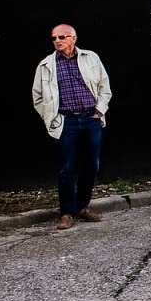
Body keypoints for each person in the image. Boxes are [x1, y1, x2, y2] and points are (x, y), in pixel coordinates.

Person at [31, 24, 112, 230]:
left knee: (91, 165)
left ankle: (81, 206)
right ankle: (67, 213)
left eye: (62, 37)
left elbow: (105, 87)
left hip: (90, 119)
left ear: (73, 38)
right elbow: (37, 97)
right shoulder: (46, 65)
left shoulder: (91, 58)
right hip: (65, 121)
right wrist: (51, 118)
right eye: (54, 38)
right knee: (66, 168)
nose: (57, 40)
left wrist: (99, 111)